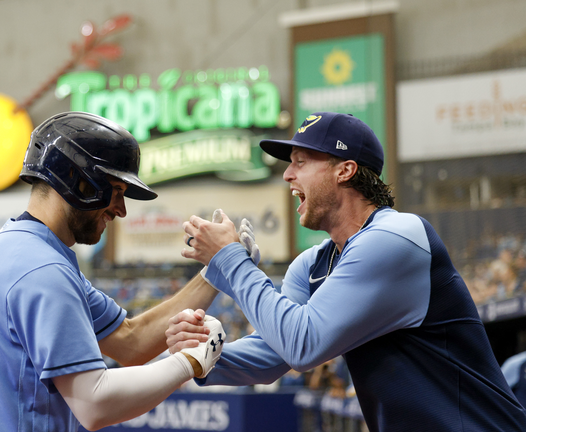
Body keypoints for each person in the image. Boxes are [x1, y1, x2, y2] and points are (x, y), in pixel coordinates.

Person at [170, 112, 526, 431]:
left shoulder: (395, 236)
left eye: (301, 161)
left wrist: (233, 261)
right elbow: (275, 355)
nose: (287, 174)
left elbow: (302, 345)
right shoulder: (313, 264)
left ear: (345, 170)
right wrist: (201, 356)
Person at [0, 112, 230, 432]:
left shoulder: (20, 249)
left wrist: (219, 268)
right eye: (116, 190)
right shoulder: (42, 269)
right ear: (78, 180)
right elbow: (95, 404)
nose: (121, 209)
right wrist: (189, 362)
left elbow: (131, 342)